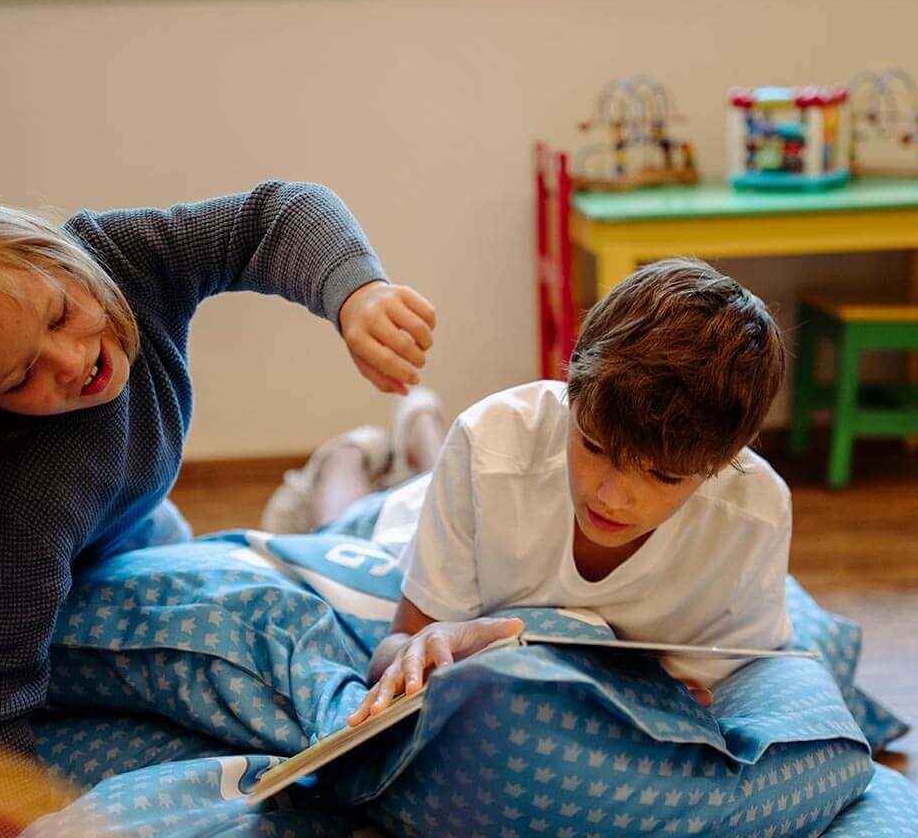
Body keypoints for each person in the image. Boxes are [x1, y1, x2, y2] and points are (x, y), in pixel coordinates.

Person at [0, 181, 433, 838]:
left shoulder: (117, 256)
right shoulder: (17, 514)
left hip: (131, 513)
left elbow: (273, 217)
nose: (73, 361)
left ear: (52, 254)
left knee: (174, 553)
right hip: (15, 565)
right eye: (20, 379)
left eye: (58, 315)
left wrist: (357, 293)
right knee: (7, 645)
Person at [323, 257, 792, 726]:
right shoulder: (490, 444)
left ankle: (419, 425)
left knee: (438, 469)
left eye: (663, 477)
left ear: (719, 466)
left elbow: (724, 686)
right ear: (571, 391)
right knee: (336, 525)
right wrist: (421, 653)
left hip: (480, 486)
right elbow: (394, 651)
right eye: (593, 446)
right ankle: (351, 454)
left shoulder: (755, 516)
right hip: (407, 521)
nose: (611, 497)